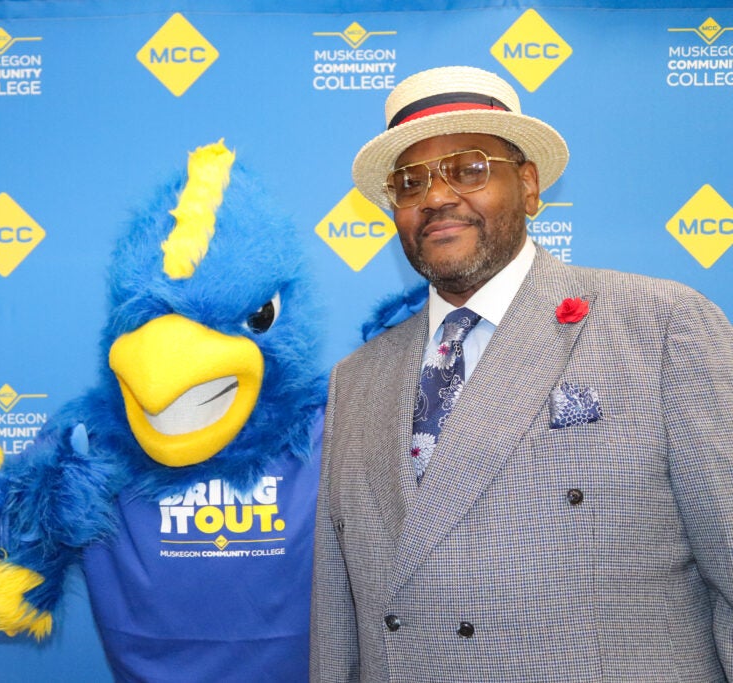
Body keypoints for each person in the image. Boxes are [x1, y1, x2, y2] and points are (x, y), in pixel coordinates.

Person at [310, 65, 733, 682]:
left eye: (470, 168)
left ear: (530, 186)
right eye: (410, 181)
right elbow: (339, 621)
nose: (436, 197)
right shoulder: (357, 379)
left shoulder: (662, 326)